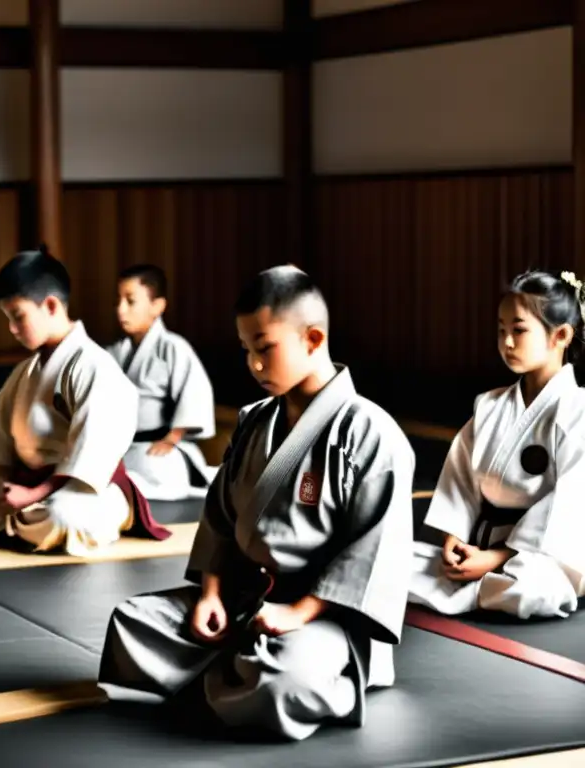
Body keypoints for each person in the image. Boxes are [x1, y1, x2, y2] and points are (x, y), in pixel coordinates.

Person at [98, 265, 415, 742]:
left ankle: (324, 677)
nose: (254, 365)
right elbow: (221, 517)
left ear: (312, 338)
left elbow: (371, 555)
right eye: (246, 351)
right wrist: (209, 593)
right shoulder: (254, 421)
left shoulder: (372, 433)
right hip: (242, 599)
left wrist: (297, 613)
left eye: (265, 348)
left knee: (281, 685)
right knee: (131, 622)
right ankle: (238, 664)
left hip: (322, 617)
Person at [0, 245, 169, 556]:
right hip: (25, 486)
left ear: (51, 305)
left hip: (81, 489)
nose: (12, 329)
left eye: (18, 316)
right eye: (8, 318)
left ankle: (43, 518)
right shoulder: (23, 372)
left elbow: (91, 457)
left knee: (64, 514)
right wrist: (5, 484)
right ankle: (23, 519)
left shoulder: (95, 366)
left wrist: (33, 494)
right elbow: (2, 442)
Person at [409, 269, 585, 619]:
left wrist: (497, 558)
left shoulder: (578, 412)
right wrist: (454, 540)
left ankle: (477, 582)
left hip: (542, 555)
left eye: (518, 330)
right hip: (478, 544)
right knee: (386, 555)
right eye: (501, 329)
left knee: (533, 588)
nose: (506, 342)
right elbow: (460, 478)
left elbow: (568, 506)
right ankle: (477, 580)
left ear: (560, 335)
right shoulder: (489, 406)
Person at [107, 264, 217, 500]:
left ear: (157, 306)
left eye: (130, 301)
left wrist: (172, 437)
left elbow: (194, 394)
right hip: (126, 447)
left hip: (157, 445)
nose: (121, 310)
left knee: (157, 470)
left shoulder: (173, 347)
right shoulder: (117, 352)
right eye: (118, 301)